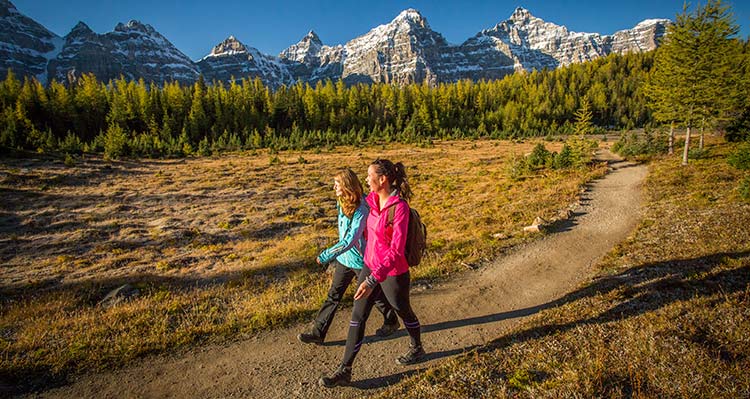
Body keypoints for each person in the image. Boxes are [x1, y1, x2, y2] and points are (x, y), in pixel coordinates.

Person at [319, 159, 425, 388]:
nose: (367, 180)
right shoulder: (370, 201)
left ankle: (417, 347)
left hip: (393, 273)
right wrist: (341, 188)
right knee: (357, 316)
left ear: (383, 179)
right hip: (369, 265)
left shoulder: (399, 208)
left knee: (403, 310)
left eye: (370, 176)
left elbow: (396, 251)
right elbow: (352, 202)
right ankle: (345, 370)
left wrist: (372, 279)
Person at [298, 168, 399, 345]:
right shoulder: (341, 201)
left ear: (346, 185)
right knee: (333, 296)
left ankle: (391, 320)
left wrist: (325, 255)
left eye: (337, 183)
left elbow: (349, 240)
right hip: (344, 260)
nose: (334, 187)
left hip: (361, 261)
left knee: (371, 296)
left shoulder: (362, 209)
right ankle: (318, 333)